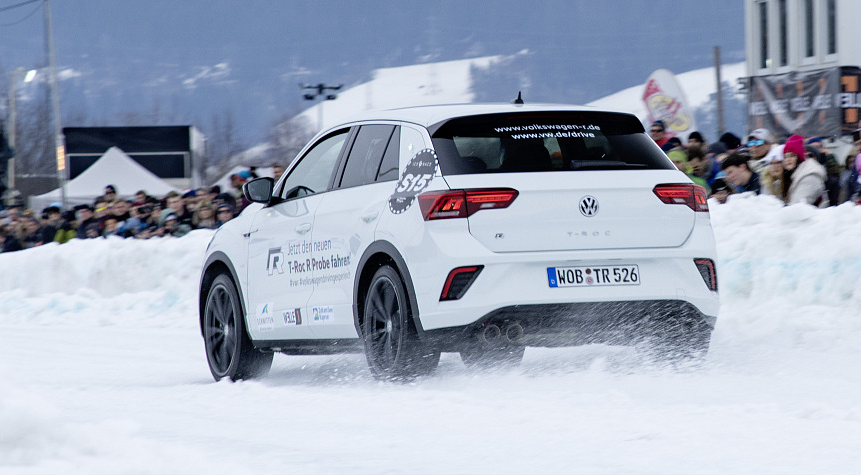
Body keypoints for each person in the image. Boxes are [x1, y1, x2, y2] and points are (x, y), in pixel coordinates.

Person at [781, 134, 828, 207]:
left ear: (799, 157)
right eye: (785, 156)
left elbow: (798, 207)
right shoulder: (795, 175)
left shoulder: (810, 176)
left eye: (792, 155)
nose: (787, 159)